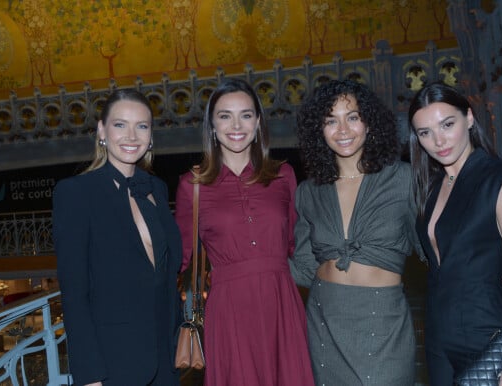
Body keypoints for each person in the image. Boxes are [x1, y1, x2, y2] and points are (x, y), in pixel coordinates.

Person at [408, 81, 502, 385]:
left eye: (447, 124)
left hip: (486, 338)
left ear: (470, 118)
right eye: (425, 133)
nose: (438, 140)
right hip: (438, 341)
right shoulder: (433, 187)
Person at [174, 78, 314, 386]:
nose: (236, 125)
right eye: (225, 116)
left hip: (282, 303)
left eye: (246, 115)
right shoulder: (192, 185)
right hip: (229, 310)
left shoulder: (283, 175)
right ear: (212, 125)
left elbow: (297, 244)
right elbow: (179, 258)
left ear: (258, 122)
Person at [290, 79, 421, 385]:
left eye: (352, 117)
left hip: (384, 319)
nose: (343, 130)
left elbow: (434, 248)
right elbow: (304, 267)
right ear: (318, 131)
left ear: (369, 123)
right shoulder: (308, 191)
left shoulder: (403, 179)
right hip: (324, 320)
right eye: (330, 121)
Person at [53, 89, 182, 386]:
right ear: (102, 130)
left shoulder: (157, 189)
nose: (132, 135)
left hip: (164, 360)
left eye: (142, 126)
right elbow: (74, 295)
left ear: (151, 136)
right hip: (112, 364)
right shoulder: (76, 193)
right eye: (120, 124)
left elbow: (164, 274)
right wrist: (90, 375)